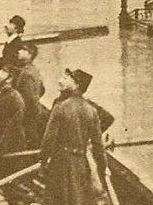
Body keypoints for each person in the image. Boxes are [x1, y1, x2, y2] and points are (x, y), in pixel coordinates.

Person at [40, 68, 108, 205]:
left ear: (76, 85)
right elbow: (98, 145)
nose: (62, 80)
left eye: (68, 78)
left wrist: (43, 161)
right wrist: (102, 167)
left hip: (61, 162)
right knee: (78, 198)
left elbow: (48, 139)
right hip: (81, 163)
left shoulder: (61, 107)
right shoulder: (92, 111)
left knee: (57, 199)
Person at [0, 66, 26, 172]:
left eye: (3, 71)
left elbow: (13, 128)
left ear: (10, 79)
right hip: (0, 141)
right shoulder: (2, 93)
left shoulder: (15, 99)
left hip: (11, 145)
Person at [14, 42, 46, 148]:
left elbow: (29, 98)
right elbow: (42, 90)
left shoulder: (27, 73)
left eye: (22, 50)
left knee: (27, 136)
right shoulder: (34, 70)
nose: (18, 51)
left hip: (28, 111)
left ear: (29, 54)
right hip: (34, 110)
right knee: (31, 134)